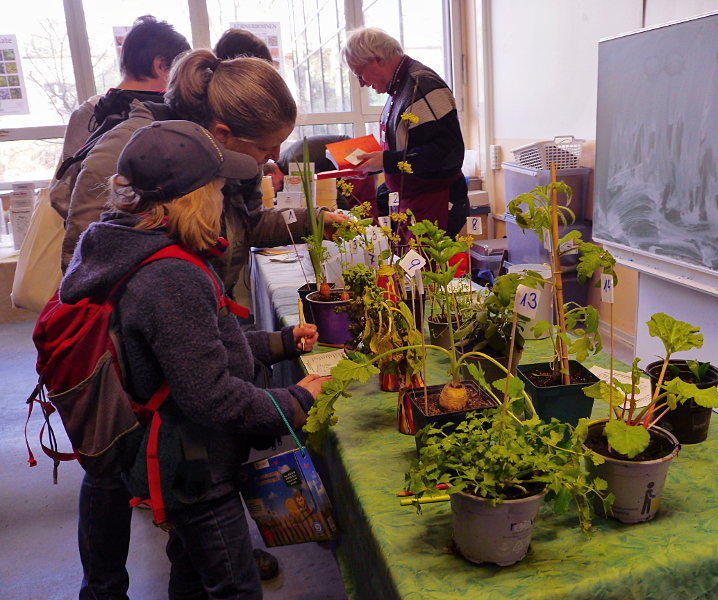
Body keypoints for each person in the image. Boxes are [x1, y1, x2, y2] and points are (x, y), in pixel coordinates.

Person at [64, 49, 344, 599]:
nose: (266, 164)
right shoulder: (168, 269)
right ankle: (102, 589)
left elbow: (202, 348)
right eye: (263, 150)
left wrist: (276, 341)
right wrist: (296, 400)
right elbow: (208, 392)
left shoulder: (172, 235)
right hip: (186, 457)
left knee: (193, 564)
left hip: (179, 445)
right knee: (229, 581)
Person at [49, 15, 190, 220]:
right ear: (160, 65)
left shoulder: (89, 111)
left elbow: (60, 193)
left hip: (96, 233)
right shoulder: (167, 115)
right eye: (179, 69)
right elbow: (64, 193)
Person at [341, 27, 469, 240]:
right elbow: (410, 147)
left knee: (428, 272)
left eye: (359, 73)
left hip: (434, 202)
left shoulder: (421, 84)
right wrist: (375, 163)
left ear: (378, 59)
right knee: (413, 272)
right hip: (413, 202)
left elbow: (448, 153)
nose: (361, 83)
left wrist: (386, 160)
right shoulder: (400, 88)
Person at [262, 134, 377, 213]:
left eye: (274, 190)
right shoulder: (285, 161)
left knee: (361, 212)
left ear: (270, 178)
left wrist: (341, 214)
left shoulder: (295, 165)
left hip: (353, 157)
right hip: (342, 160)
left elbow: (335, 198)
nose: (275, 193)